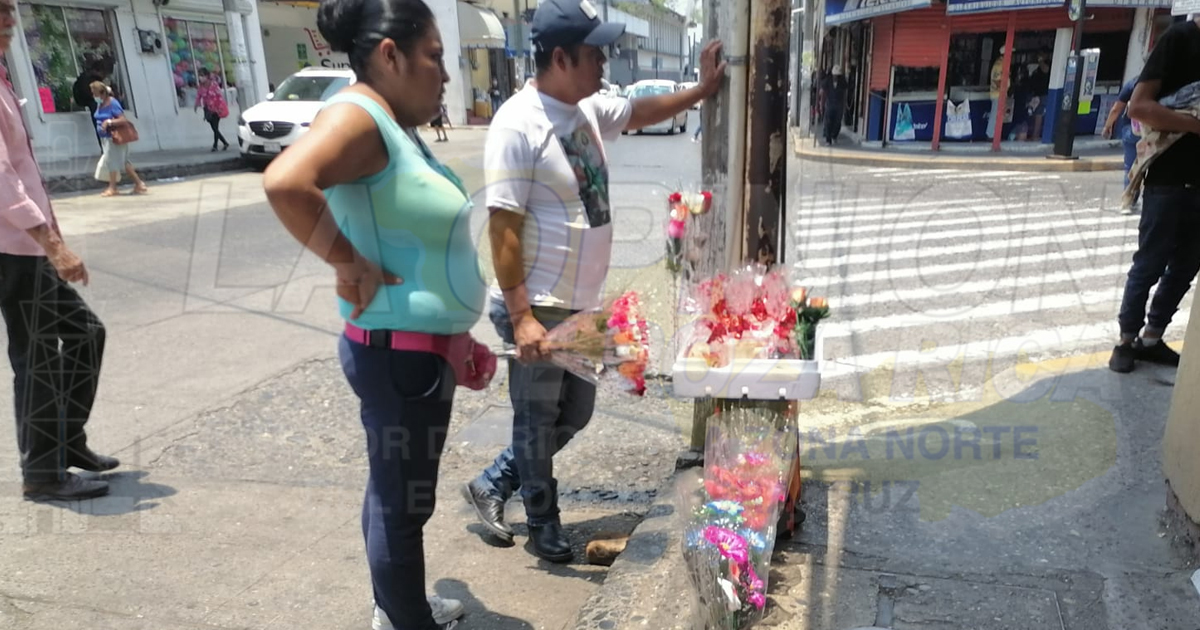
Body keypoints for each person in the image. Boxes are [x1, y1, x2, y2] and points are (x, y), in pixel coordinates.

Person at [461, 0, 725, 563]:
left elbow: (640, 108)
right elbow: (502, 228)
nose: (604, 61)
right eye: (593, 52)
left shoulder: (584, 110)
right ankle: (542, 522)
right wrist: (523, 313)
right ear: (559, 57)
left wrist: (699, 93)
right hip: (538, 304)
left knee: (574, 414)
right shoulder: (517, 124)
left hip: (580, 306)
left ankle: (495, 480)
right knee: (536, 419)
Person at [262, 0, 480, 628]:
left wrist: (457, 338)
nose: (444, 75)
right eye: (435, 57)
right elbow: (285, 182)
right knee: (401, 505)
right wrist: (346, 263)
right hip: (397, 358)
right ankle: (405, 617)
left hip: (413, 354)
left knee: (394, 495)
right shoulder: (359, 118)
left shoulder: (389, 124)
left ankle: (396, 605)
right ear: (392, 55)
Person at [0, 0, 118, 502]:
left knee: (84, 333)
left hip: (25, 244)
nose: (9, 20)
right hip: (15, 246)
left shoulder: (3, 77)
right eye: (0, 11)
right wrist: (50, 241)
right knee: (39, 355)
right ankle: (44, 472)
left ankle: (68, 440)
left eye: (10, 11)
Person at [1109, 16, 1200, 374]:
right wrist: (1195, 125)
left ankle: (1152, 337)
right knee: (1149, 264)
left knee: (1186, 267)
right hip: (1168, 178)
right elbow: (1139, 107)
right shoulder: (1180, 38)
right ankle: (1127, 340)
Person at [92, 81, 148, 198]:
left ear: (102, 93)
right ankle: (139, 184)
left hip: (113, 138)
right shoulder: (101, 104)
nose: (94, 96)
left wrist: (109, 122)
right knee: (123, 162)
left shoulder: (112, 103)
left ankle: (113, 188)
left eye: (95, 93)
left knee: (112, 162)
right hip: (105, 138)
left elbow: (122, 119)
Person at [1102, 76, 1142, 214]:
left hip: (1131, 130)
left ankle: (1127, 202)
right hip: (1152, 131)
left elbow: (1116, 109)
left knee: (1130, 167)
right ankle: (1138, 199)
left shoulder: (1132, 84)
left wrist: (1107, 126)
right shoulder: (1161, 83)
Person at [194, 68, 230, 152]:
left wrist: (219, 108)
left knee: (215, 127)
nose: (200, 77)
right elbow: (198, 96)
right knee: (214, 128)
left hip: (216, 109)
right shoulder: (200, 87)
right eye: (199, 76)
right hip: (207, 109)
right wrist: (196, 105)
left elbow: (219, 96)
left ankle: (215, 145)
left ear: (207, 76)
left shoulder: (214, 85)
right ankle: (224, 143)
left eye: (202, 75)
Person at [821, 65, 846, 145]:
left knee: (837, 122)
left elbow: (846, 87)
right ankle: (828, 139)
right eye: (834, 75)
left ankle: (834, 136)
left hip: (839, 104)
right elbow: (822, 86)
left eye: (837, 75)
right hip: (830, 103)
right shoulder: (828, 80)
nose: (835, 77)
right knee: (828, 122)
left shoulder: (842, 81)